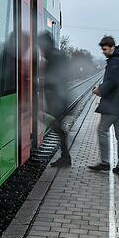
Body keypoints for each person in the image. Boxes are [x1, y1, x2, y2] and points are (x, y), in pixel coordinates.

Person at [89, 36, 119, 175]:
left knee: (102, 130)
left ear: (112, 47)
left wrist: (99, 89)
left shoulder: (115, 61)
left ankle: (105, 162)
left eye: (105, 49)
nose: (103, 52)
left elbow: (112, 82)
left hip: (113, 104)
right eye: (102, 49)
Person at [37, 32, 71, 167]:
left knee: (56, 127)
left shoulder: (53, 57)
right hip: (59, 98)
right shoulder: (56, 55)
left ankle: (66, 157)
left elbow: (53, 79)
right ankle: (65, 156)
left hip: (57, 100)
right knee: (57, 128)